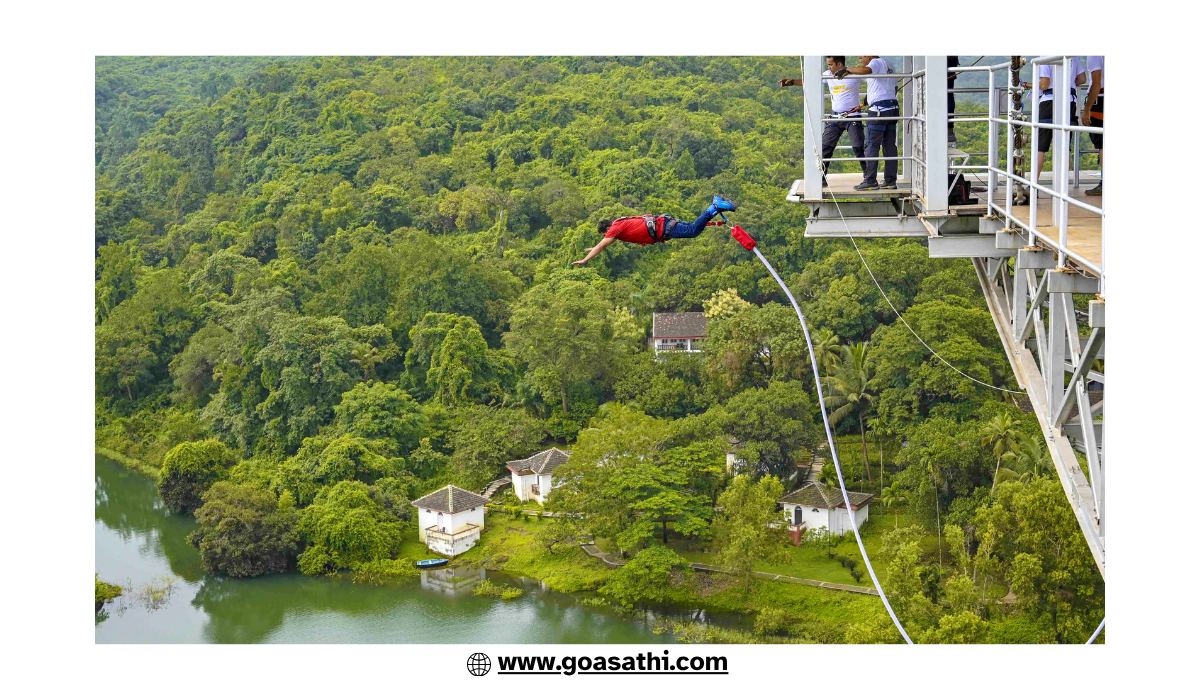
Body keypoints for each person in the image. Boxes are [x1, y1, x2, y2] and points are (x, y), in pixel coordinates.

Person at [570, 196, 737, 266]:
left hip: (664, 227)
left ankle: (714, 206)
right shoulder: (620, 225)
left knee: (693, 230)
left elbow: (603, 245)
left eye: (605, 235)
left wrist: (585, 259)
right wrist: (594, 248)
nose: (607, 237)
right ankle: (714, 209)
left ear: (608, 229)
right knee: (695, 231)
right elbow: (603, 245)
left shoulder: (615, 228)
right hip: (664, 225)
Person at [779, 56, 868, 185]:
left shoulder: (853, 73)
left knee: (859, 147)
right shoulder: (828, 75)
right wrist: (792, 82)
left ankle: (869, 178)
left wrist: (868, 96)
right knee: (825, 147)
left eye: (831, 65)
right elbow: (811, 81)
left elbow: (870, 77)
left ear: (839, 64)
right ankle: (821, 178)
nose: (829, 67)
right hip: (835, 117)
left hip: (853, 116)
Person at [843, 56, 900, 190]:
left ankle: (870, 181)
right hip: (892, 109)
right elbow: (895, 88)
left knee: (871, 146)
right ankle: (890, 180)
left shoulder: (875, 63)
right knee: (889, 146)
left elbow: (865, 70)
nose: (859, 57)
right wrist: (872, 95)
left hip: (878, 111)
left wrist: (847, 70)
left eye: (862, 54)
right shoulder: (889, 65)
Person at [1033, 56, 1086, 185]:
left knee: (1040, 147)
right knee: (1065, 146)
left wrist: (1025, 84)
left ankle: (1033, 185)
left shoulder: (1045, 56)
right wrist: (1067, 84)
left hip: (1048, 102)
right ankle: (1062, 186)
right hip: (1069, 101)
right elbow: (1082, 79)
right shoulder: (1073, 56)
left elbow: (1044, 84)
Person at [1081, 56, 1104, 196]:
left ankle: (1105, 183)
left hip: (1100, 101)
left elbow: (1096, 83)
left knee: (1102, 144)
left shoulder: (1094, 54)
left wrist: (1087, 108)